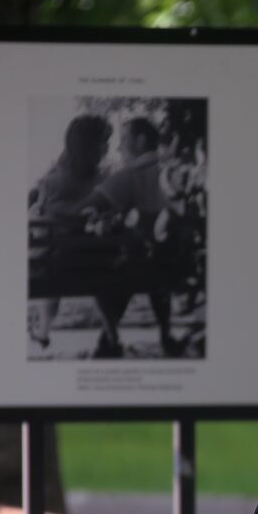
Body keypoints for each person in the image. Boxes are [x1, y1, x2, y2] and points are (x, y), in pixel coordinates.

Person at [81, 117, 181, 358]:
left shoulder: (128, 176)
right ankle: (165, 334)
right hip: (176, 265)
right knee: (140, 266)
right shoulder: (174, 170)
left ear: (140, 140)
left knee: (117, 272)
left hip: (141, 265)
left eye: (123, 140)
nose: (118, 147)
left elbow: (84, 208)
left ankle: (110, 338)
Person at [27, 114, 112, 350]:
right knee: (78, 261)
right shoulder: (106, 180)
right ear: (95, 147)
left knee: (51, 255)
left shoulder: (51, 182)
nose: (108, 147)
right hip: (97, 264)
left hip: (57, 266)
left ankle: (43, 330)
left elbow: (41, 218)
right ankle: (112, 335)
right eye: (104, 142)